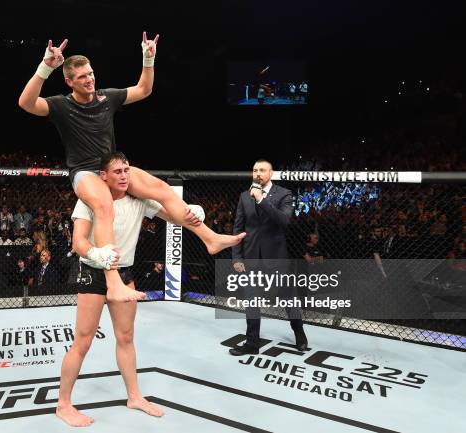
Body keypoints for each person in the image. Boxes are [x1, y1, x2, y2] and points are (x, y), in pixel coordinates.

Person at [18, 33, 244, 303]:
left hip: (111, 166)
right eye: (81, 77)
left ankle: (209, 238)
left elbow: (143, 89)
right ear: (69, 81)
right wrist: (45, 67)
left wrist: (149, 58)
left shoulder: (107, 98)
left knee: (161, 188)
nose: (89, 79)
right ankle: (113, 283)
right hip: (85, 172)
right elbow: (26, 103)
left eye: (90, 73)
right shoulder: (62, 105)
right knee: (103, 205)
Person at [56, 151, 205, 427]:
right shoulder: (90, 198)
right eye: (117, 172)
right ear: (103, 176)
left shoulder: (139, 198)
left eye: (126, 170)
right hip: (93, 272)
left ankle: (134, 396)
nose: (124, 175)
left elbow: (171, 215)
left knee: (126, 336)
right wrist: (96, 254)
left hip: (124, 272)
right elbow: (78, 242)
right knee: (83, 341)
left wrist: (190, 212)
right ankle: (63, 404)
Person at [230, 159, 308, 355]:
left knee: (288, 298)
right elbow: (238, 228)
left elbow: (283, 220)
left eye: (262, 170)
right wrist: (237, 257)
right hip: (251, 257)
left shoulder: (284, 194)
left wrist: (261, 200)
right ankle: (252, 343)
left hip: (276, 258)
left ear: (271, 173)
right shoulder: (244, 196)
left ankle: (299, 333)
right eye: (255, 170)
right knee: (251, 300)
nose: (258, 173)